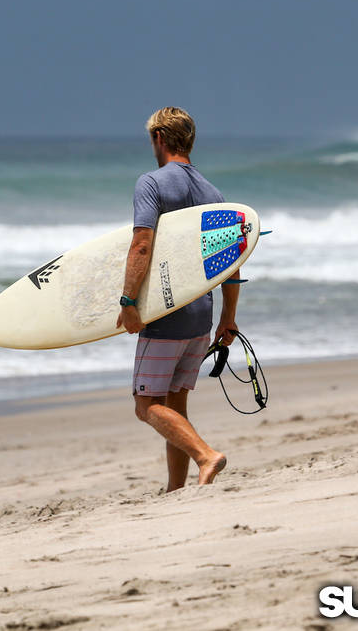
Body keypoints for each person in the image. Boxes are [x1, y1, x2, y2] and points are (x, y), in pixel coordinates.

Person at [116, 107, 238, 492]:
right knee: (175, 405)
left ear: (159, 139)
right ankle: (176, 489)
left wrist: (128, 302)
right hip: (202, 315)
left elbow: (141, 245)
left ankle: (206, 456)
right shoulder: (212, 192)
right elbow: (230, 262)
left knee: (146, 405)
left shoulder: (151, 184)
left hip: (166, 314)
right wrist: (228, 319)